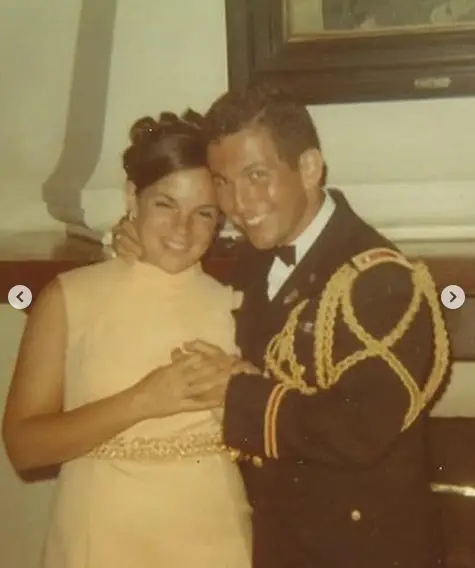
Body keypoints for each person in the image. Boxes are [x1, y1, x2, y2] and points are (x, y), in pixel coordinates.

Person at [113, 86, 452, 568]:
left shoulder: (381, 279)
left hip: (364, 551)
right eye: (223, 182)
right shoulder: (255, 258)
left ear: (309, 168)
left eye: (256, 176)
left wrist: (237, 391)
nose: (238, 202)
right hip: (281, 543)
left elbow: (360, 429)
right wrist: (132, 240)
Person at [2, 111, 253, 568]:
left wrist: (247, 384)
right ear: (131, 198)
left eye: (203, 213)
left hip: (214, 538)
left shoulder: (237, 301)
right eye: (164, 204)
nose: (182, 230)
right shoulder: (69, 297)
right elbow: (23, 447)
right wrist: (144, 400)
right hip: (100, 538)